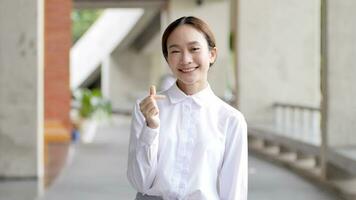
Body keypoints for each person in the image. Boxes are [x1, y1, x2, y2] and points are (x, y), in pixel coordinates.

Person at [127, 16, 247, 200]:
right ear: (167, 59)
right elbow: (140, 183)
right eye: (175, 51)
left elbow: (234, 192)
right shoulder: (146, 107)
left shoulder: (231, 119)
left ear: (212, 54)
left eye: (194, 49)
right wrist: (151, 127)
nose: (185, 59)